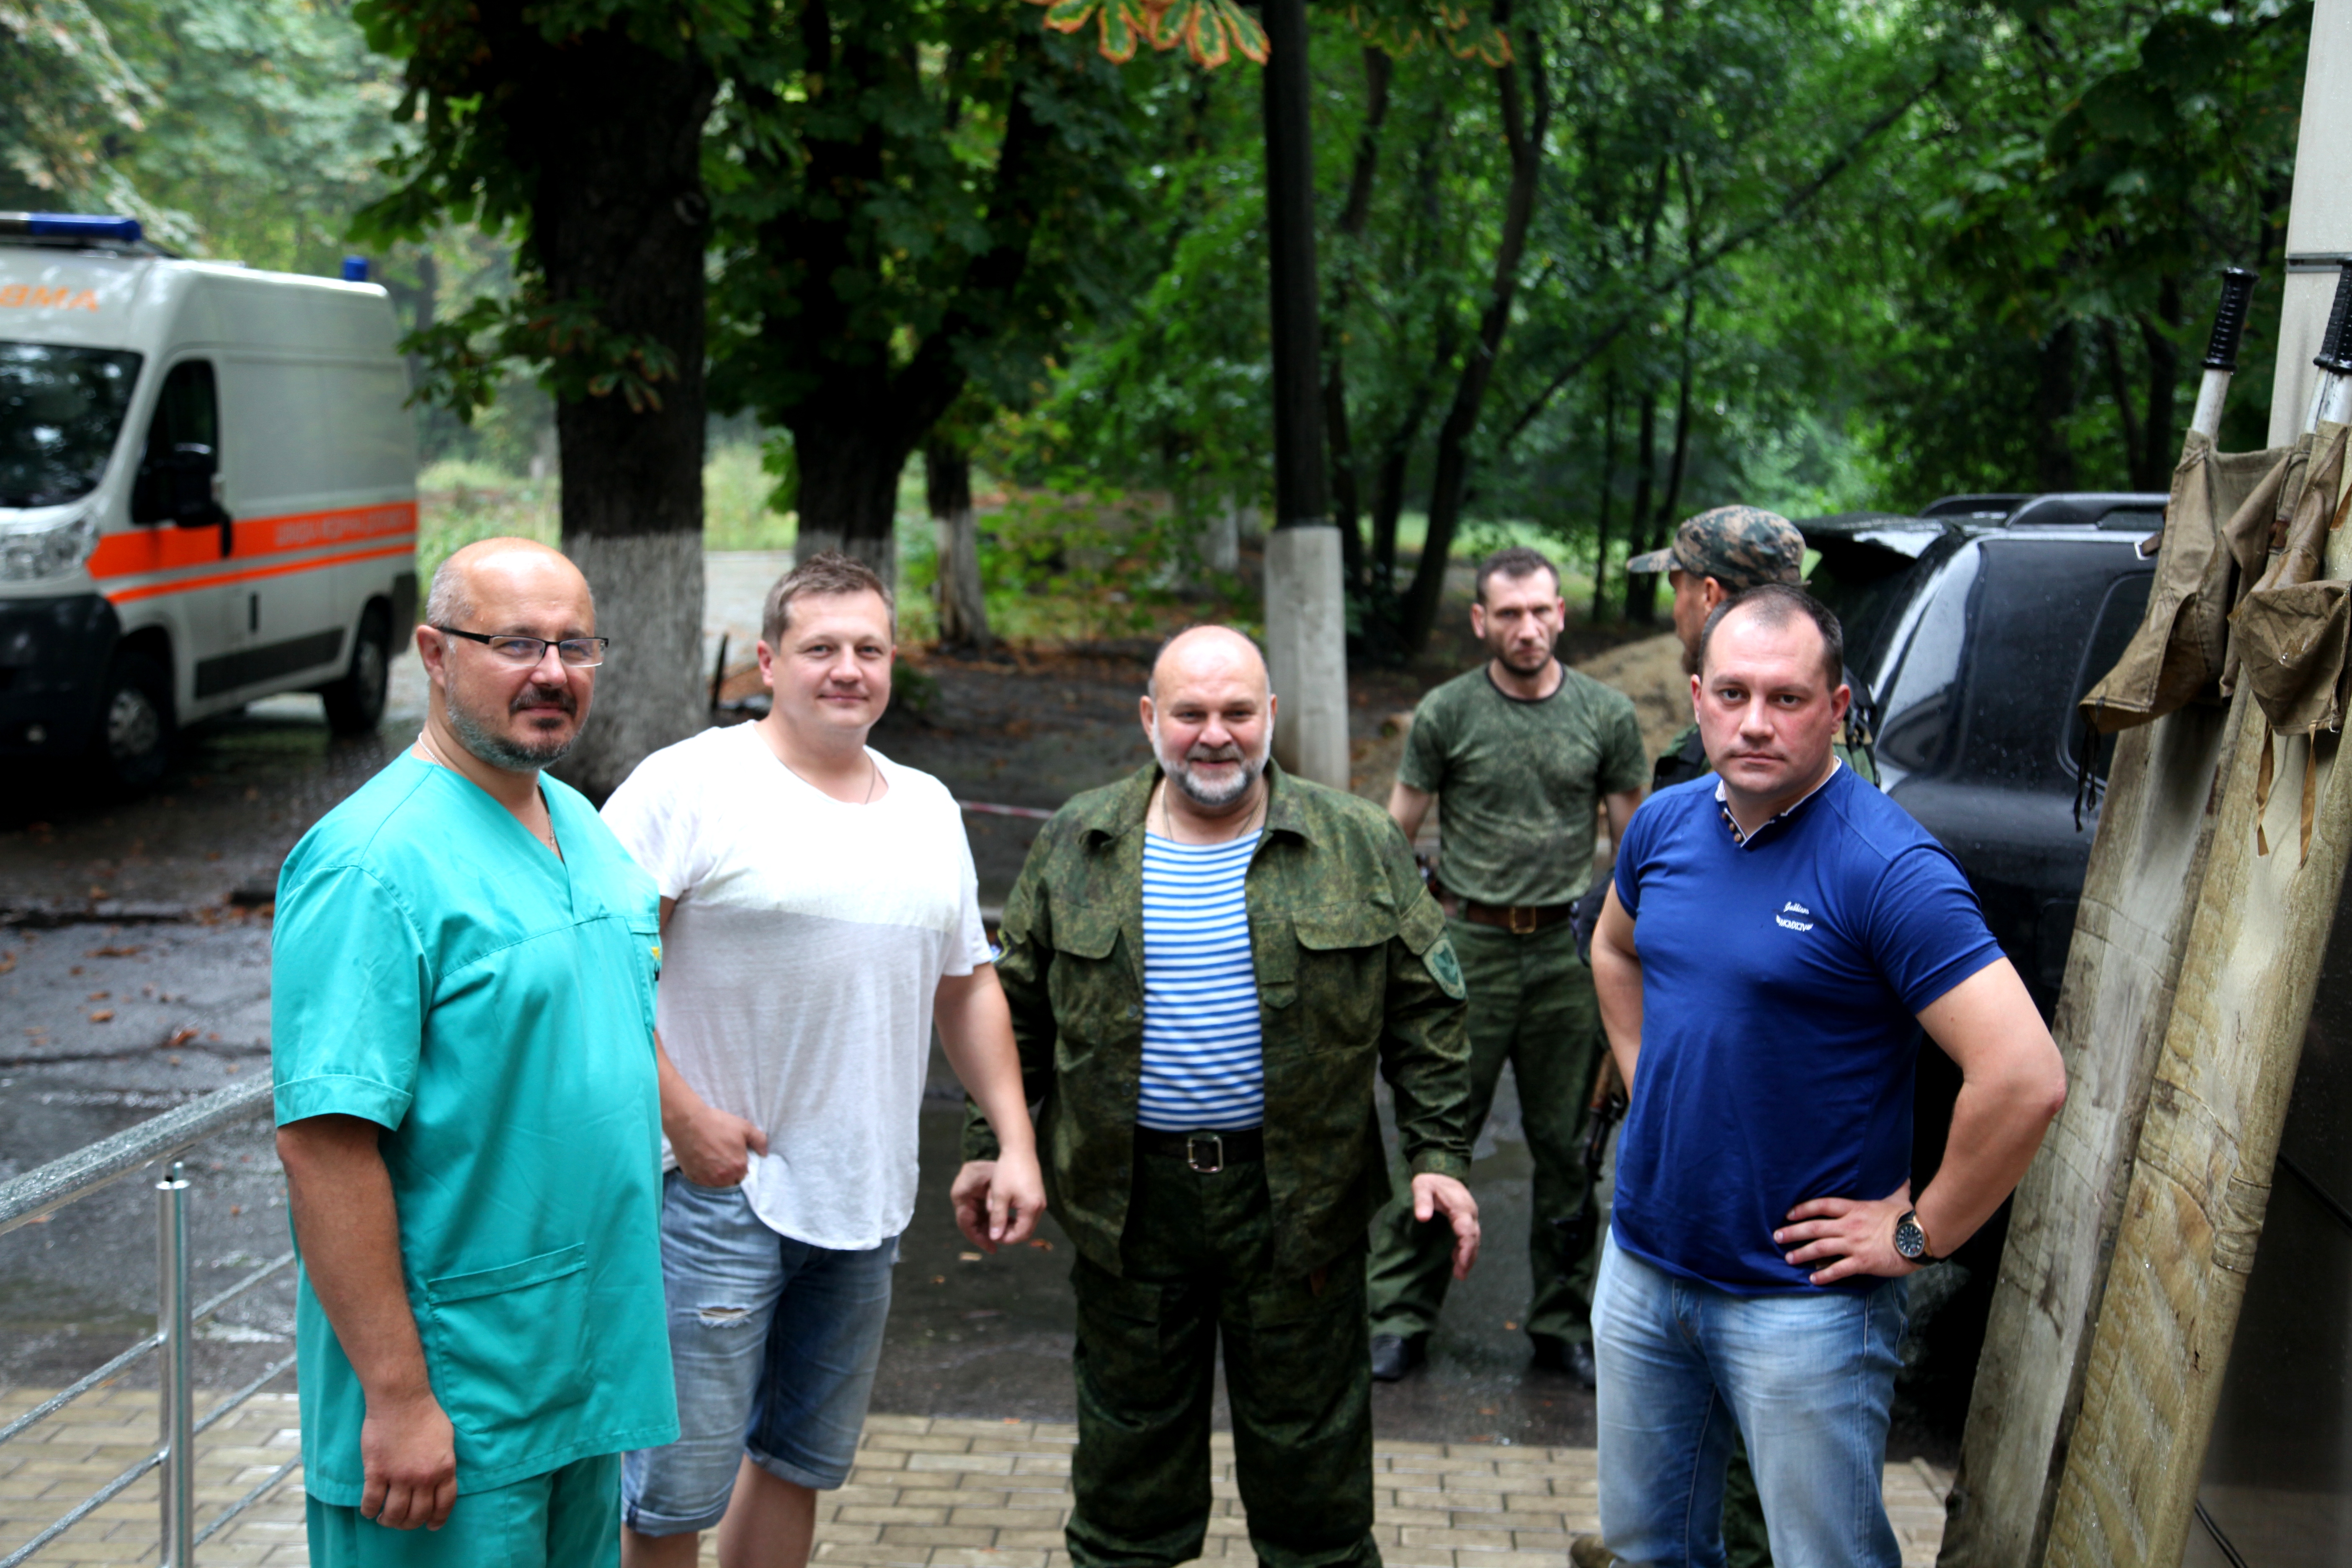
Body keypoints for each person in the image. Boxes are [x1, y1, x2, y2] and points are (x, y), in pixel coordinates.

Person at [955, 625, 1478, 1568]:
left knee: (1314, 1492)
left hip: (1301, 1210)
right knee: (1127, 1490)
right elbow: (1014, 1010)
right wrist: (993, 1144)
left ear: (1270, 716)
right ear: (1151, 719)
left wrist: (1440, 1157)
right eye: (1190, 713)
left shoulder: (1355, 841)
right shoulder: (1079, 841)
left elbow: (1426, 1012)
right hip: (1129, 1209)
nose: (1215, 735)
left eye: (1238, 711)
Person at [1585, 584, 2066, 1568]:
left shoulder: (1885, 866)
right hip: (1643, 1263)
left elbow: (2023, 1074)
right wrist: (1650, 1081)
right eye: (1732, 692)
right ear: (1696, 696)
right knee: (1647, 1544)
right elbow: (1614, 950)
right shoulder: (1664, 825)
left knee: (1824, 1555)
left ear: (1839, 707)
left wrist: (1917, 1229)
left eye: (1788, 697)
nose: (1755, 720)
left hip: (1799, 1302)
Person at [600, 554, 1047, 1568]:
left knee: (798, 1458)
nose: (847, 668)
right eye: (820, 648)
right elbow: (597, 966)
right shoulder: (688, 783)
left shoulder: (929, 804)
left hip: (865, 1194)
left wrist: (1014, 1140)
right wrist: (681, 1116)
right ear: (767, 659)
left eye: (869, 648)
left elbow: (966, 981)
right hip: (711, 1191)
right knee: (674, 1491)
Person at [272, 538, 678, 1567]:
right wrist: (400, 1397)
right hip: (454, 1397)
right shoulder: (370, 863)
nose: (552, 671)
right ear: (434, 653)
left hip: (579, 1371)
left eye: (574, 644)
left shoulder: (577, 822)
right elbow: (325, 1143)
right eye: (515, 643)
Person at [1366, 546, 1646, 1387]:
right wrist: (1412, 941)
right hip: (1471, 951)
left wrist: (1635, 955)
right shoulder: (1448, 712)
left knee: (1570, 1148)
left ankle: (1563, 1323)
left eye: (1542, 612)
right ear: (1482, 621)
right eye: (1509, 615)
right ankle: (1399, 1315)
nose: (1528, 629)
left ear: (1561, 615)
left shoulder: (1606, 715)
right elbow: (1393, 835)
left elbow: (1638, 848)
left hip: (1569, 954)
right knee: (1438, 1135)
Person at [1627, 505, 1877, 790]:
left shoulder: (1767, 761)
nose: (1756, 725)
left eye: (1677, 591)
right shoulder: (1822, 693)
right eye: (1734, 694)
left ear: (1709, 595)